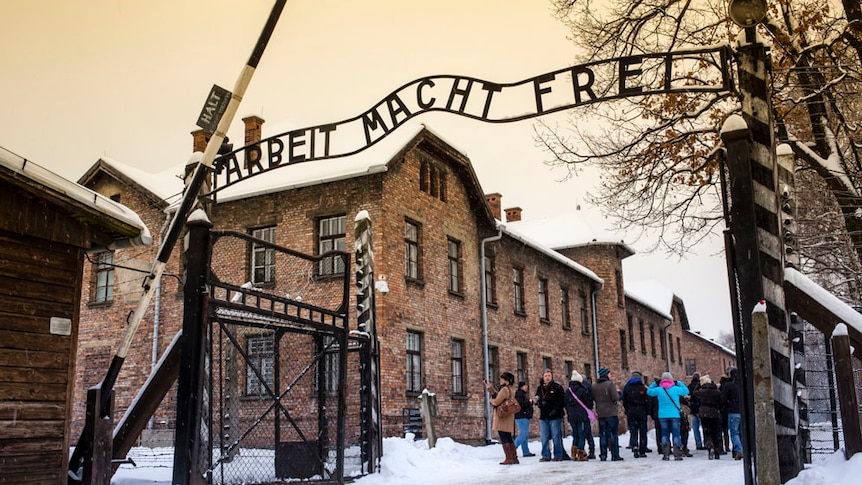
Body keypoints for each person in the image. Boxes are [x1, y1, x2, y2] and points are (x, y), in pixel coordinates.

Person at [646, 371, 690, 461]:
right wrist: (678, 382)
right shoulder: (676, 388)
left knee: (664, 434)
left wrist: (655, 383)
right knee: (676, 434)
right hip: (675, 415)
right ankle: (677, 454)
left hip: (662, 415)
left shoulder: (659, 390)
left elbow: (649, 391)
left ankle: (666, 454)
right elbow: (686, 390)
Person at [485, 371, 519, 465]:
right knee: (508, 436)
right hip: (508, 415)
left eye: (502, 378)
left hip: (502, 416)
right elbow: (499, 395)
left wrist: (491, 400)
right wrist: (490, 388)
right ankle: (514, 457)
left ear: (506, 380)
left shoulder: (504, 389)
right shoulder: (511, 389)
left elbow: (496, 401)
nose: (500, 380)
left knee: (504, 437)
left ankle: (509, 458)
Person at [592, 367, 623, 461]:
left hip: (601, 413)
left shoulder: (594, 386)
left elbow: (593, 398)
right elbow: (615, 397)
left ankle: (603, 454)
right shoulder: (609, 385)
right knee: (613, 434)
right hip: (611, 413)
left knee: (603, 434)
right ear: (606, 375)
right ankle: (615, 454)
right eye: (609, 374)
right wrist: (619, 393)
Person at [534, 368, 565, 461]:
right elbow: (537, 397)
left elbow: (562, 401)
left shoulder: (557, 387)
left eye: (549, 376)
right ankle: (545, 455)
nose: (547, 378)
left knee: (556, 436)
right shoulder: (540, 388)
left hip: (555, 416)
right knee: (544, 436)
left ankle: (558, 455)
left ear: (551, 377)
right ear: (543, 377)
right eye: (545, 376)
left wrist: (556, 409)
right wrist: (537, 402)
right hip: (544, 416)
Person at [694, 375, 725, 460]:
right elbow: (722, 402)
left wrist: (698, 384)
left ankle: (709, 446)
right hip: (715, 413)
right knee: (716, 433)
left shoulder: (702, 391)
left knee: (707, 432)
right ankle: (717, 451)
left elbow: (694, 392)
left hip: (704, 413)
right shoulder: (717, 392)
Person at [564, 370, 593, 461]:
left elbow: (566, 404)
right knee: (581, 434)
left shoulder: (568, 391)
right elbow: (588, 404)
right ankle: (581, 454)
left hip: (572, 416)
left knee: (575, 434)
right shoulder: (582, 390)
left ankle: (573, 453)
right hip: (581, 416)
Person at [622, 371, 650, 458]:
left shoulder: (627, 388)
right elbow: (647, 401)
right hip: (641, 411)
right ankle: (642, 449)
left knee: (633, 431)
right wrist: (647, 411)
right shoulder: (643, 388)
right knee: (643, 431)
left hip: (631, 412)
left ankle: (634, 445)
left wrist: (627, 410)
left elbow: (624, 401)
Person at [721, 367, 744, 460]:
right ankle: (743, 448)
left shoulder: (728, 385)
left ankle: (739, 450)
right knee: (741, 432)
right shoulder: (742, 384)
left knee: (734, 433)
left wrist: (727, 405)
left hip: (733, 411)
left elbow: (723, 398)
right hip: (742, 410)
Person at [513, 381, 535, 457]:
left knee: (525, 435)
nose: (527, 387)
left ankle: (526, 451)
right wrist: (529, 402)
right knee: (523, 434)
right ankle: (512, 449)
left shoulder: (521, 394)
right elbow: (522, 404)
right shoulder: (519, 395)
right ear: (521, 387)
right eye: (525, 386)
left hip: (523, 416)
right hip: (521, 416)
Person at [688, 372, 704, 450]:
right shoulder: (701, 386)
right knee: (704, 427)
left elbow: (687, 397)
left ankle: (698, 444)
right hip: (701, 409)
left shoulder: (690, 386)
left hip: (693, 409)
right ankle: (706, 443)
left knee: (695, 428)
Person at [582, 373, 597, 459]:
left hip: (581, 412)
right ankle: (591, 450)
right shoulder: (589, 387)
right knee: (588, 432)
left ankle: (582, 450)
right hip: (587, 411)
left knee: (582, 432)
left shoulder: (580, 388)